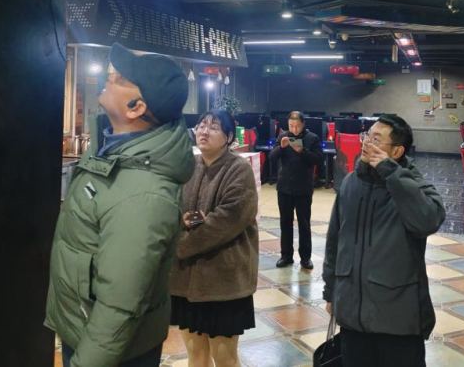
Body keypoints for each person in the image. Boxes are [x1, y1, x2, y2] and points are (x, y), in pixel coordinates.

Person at [45, 43, 194, 367]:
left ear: (136, 107)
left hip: (107, 353)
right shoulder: (112, 153)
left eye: (120, 78)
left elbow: (120, 305)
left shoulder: (144, 194)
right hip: (82, 328)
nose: (109, 77)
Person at [322, 114, 446, 367]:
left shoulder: (413, 184)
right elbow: (335, 239)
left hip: (396, 321)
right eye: (367, 136)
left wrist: (390, 172)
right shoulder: (351, 183)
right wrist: (331, 289)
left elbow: (428, 220)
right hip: (353, 316)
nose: (367, 143)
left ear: (397, 151)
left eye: (376, 139)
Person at [169, 109, 259, 367]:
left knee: (224, 357)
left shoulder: (238, 170)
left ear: (229, 137)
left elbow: (226, 220)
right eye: (201, 125)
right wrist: (181, 221)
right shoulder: (188, 167)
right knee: (195, 355)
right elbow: (172, 208)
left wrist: (178, 244)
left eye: (214, 127)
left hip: (223, 283)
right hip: (186, 281)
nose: (204, 131)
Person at [269, 110, 323, 269]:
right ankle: (286, 256)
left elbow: (318, 160)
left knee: (304, 224)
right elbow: (272, 157)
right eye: (291, 125)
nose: (294, 129)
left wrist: (302, 151)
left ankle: (305, 258)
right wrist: (281, 147)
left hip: (303, 188)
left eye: (297, 126)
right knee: (285, 223)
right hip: (284, 187)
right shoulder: (283, 136)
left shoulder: (312, 138)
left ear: (303, 124)